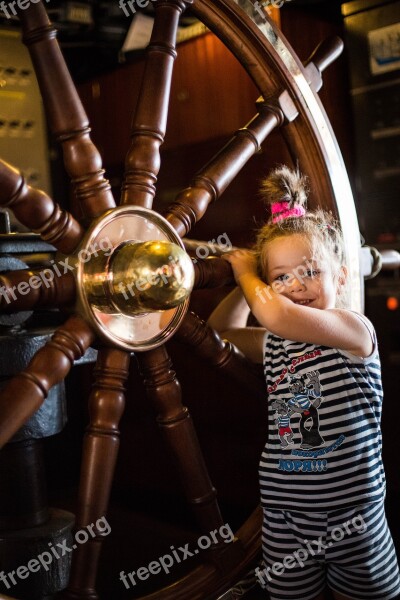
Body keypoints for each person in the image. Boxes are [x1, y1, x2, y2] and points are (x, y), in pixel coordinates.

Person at [207, 166, 400, 600]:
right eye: (281, 276)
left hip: (354, 516)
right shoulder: (277, 342)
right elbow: (222, 331)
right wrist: (246, 284)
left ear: (342, 278)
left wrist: (249, 276)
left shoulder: (353, 330)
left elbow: (275, 312)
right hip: (285, 515)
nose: (296, 285)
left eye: (311, 270)